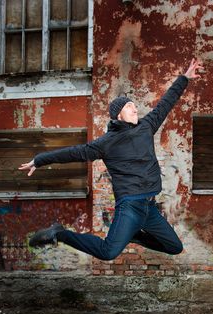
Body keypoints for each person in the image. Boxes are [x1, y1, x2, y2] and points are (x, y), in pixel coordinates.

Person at [19, 59, 203, 261]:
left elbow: (165, 103)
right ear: (118, 114)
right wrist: (39, 160)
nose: (135, 109)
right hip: (130, 205)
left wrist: (184, 78)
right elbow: (73, 152)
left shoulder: (146, 126)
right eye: (129, 106)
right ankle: (60, 234)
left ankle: (134, 235)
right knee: (108, 252)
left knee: (174, 246)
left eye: (135, 106)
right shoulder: (106, 143)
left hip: (148, 208)